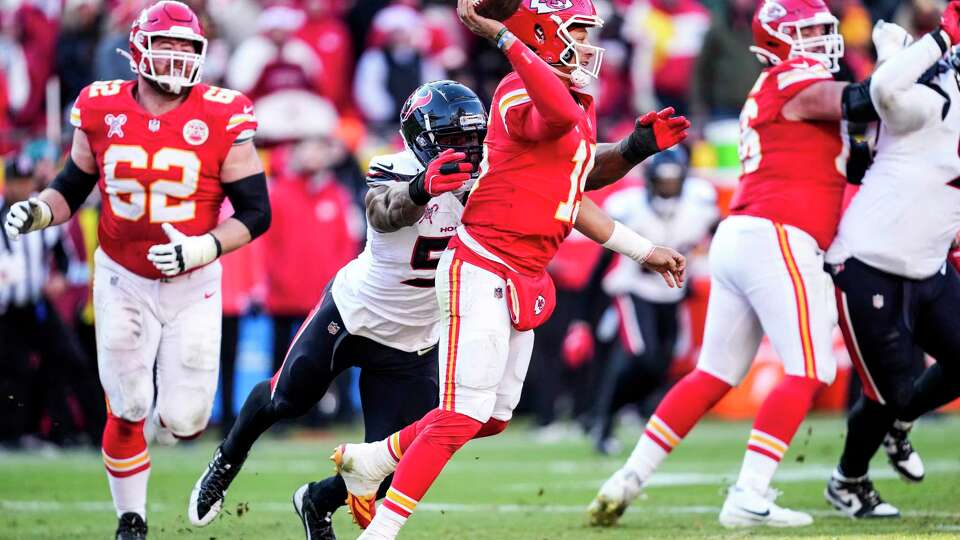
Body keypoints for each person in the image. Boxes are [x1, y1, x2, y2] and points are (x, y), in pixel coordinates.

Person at [331, 2, 690, 538]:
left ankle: (375, 459)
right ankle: (380, 530)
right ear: (542, 33)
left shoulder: (571, 97)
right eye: (578, 31)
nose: (588, 43)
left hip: (524, 272)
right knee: (458, 414)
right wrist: (503, 37)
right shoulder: (517, 90)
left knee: (493, 417)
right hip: (482, 264)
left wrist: (641, 240)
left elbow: (574, 188)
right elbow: (561, 120)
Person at [587, 0, 883, 528]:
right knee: (812, 367)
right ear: (779, 41)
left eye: (822, 29)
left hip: (746, 233)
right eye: (810, 31)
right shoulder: (792, 79)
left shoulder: (785, 88)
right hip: (778, 233)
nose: (822, 39)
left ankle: (626, 478)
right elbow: (864, 100)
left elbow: (851, 151)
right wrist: (927, 60)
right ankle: (749, 493)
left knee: (715, 372)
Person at [3, 2, 270, 538]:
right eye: (165, 45)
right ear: (138, 50)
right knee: (126, 405)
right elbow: (71, 189)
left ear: (199, 52)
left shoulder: (223, 113)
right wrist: (39, 211)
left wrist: (200, 249)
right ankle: (132, 520)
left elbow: (256, 213)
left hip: (192, 283)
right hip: (123, 276)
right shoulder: (99, 106)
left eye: (184, 47)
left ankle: (152, 426)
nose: (175, 57)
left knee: (188, 419)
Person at [187, 80, 487, 539]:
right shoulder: (393, 165)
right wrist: (422, 188)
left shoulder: (490, 176)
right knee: (286, 399)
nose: (466, 149)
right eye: (452, 139)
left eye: (472, 137)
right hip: (354, 314)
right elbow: (384, 211)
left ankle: (317, 500)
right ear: (424, 139)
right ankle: (226, 459)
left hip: (415, 337)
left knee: (392, 467)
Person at [823, 11, 960, 518]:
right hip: (871, 262)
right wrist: (940, 38)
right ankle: (848, 480)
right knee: (889, 391)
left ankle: (902, 427)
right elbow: (883, 89)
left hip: (930, 265)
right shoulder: (933, 98)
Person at [588, 146, 718, 453]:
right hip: (634, 291)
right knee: (641, 357)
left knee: (662, 365)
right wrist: (588, 308)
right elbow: (604, 259)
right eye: (662, 181)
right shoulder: (630, 207)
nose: (667, 188)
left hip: (672, 293)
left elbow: (720, 232)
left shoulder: (699, 204)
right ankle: (603, 417)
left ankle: (616, 411)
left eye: (673, 182)